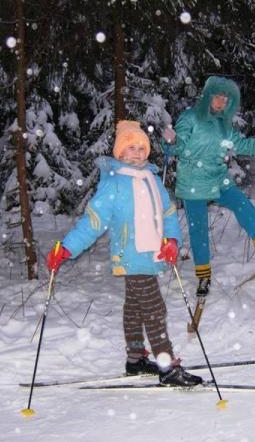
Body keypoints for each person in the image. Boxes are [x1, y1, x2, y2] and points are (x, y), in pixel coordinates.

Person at [46, 120, 202, 387]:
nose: (137, 152)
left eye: (141, 147)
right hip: (130, 255)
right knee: (154, 308)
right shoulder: (115, 183)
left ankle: (135, 359)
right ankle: (167, 367)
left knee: (135, 306)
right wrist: (68, 248)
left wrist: (172, 241)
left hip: (152, 255)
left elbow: (168, 214)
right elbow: (93, 221)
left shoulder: (152, 179)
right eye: (131, 147)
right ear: (119, 152)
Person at [162, 76, 255, 297]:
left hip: (218, 178)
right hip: (193, 181)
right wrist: (172, 141)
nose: (222, 101)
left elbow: (240, 144)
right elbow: (179, 147)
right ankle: (203, 276)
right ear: (208, 96)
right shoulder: (190, 117)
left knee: (243, 205)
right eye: (218, 95)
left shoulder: (224, 124)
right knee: (199, 228)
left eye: (226, 98)